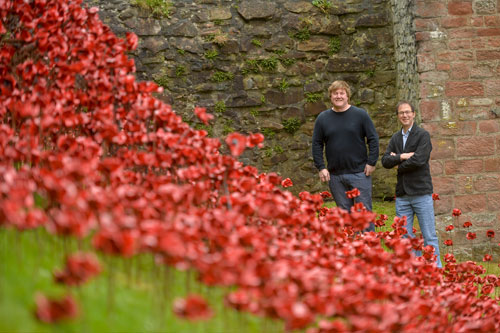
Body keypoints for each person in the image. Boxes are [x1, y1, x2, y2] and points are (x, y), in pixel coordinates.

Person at [312, 80, 379, 232]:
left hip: (360, 173)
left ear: (347, 96)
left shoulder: (360, 115)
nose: (339, 96)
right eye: (335, 93)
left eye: (342, 93)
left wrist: (372, 162)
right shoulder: (323, 118)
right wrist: (321, 167)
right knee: (345, 217)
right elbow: (316, 144)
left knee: (364, 214)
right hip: (336, 176)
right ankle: (350, 250)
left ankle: (369, 251)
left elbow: (373, 139)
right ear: (330, 97)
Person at [381, 101, 442, 268]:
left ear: (414, 114)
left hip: (421, 193)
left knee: (429, 236)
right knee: (404, 237)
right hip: (402, 196)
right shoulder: (395, 138)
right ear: (398, 116)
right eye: (401, 113)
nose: (405, 115)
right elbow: (385, 161)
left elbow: (420, 160)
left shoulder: (423, 135)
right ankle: (412, 271)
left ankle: (436, 270)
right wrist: (403, 156)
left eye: (408, 112)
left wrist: (398, 164)